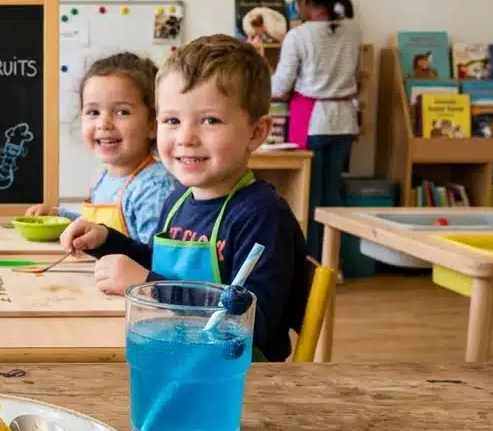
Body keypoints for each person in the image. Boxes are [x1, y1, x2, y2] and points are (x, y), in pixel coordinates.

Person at [60, 35, 310, 362]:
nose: (186, 138)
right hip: (175, 352)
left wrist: (150, 287)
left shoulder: (262, 216)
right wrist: (107, 241)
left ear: (256, 132)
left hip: (236, 377)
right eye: (173, 121)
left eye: (210, 120)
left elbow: (254, 325)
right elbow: (156, 262)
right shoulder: (178, 199)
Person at [26, 52, 175, 243]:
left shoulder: (155, 187)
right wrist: (60, 217)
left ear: (153, 125)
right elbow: (93, 226)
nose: (103, 123)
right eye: (93, 112)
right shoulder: (102, 178)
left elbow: (156, 258)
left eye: (122, 112)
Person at [270, 0, 362, 260]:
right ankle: (334, 263)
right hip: (345, 122)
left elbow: (280, 86)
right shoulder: (354, 30)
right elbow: (357, 75)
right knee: (333, 197)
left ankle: (309, 263)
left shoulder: (299, 36)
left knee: (307, 196)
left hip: (312, 123)